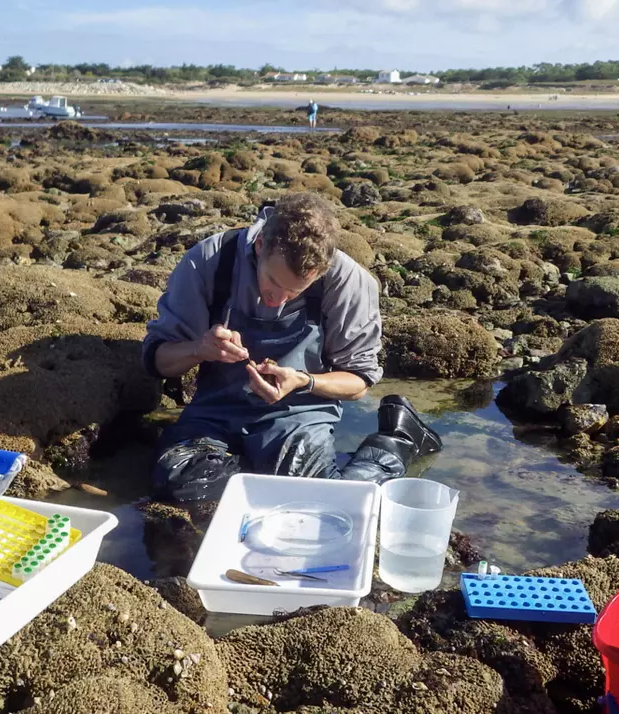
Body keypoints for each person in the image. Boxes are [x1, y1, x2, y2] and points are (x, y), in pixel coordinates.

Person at [142, 193, 442, 501]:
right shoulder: (209, 260)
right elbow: (157, 361)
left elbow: (359, 382)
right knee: (178, 484)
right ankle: (265, 473)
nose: (277, 300)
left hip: (297, 418)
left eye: (295, 291)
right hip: (214, 414)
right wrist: (200, 348)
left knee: (314, 500)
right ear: (260, 246)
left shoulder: (349, 282)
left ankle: (394, 442)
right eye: (273, 281)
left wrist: (304, 380)